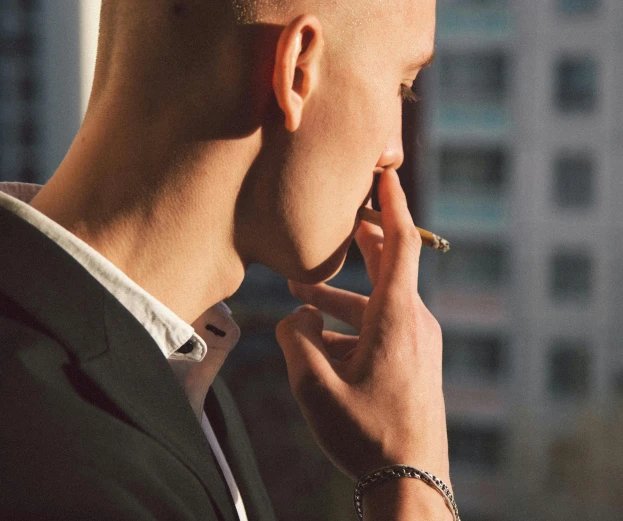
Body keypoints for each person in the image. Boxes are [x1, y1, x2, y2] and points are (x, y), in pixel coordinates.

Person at [0, 0, 454, 520]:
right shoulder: (63, 459)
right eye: (402, 87)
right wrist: (411, 479)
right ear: (297, 69)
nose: (394, 152)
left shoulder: (173, 373)